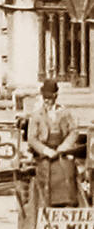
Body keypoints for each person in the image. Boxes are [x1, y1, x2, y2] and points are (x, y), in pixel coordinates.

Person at [27, 78, 81, 212]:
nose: (46, 100)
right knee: (45, 176)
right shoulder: (36, 115)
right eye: (44, 97)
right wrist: (45, 150)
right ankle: (46, 207)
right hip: (45, 155)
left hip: (62, 152)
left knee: (68, 172)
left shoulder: (65, 113)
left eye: (49, 97)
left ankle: (69, 206)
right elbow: (32, 139)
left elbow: (74, 131)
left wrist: (64, 146)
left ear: (55, 96)